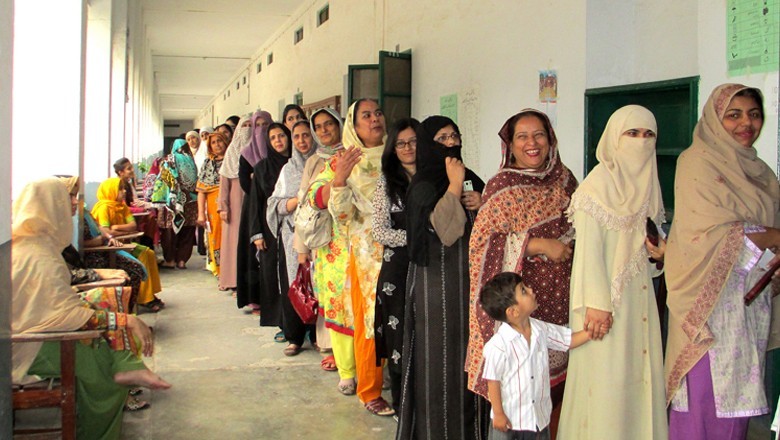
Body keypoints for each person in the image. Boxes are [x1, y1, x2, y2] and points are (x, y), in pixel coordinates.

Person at [11, 177, 171, 440]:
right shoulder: (36, 254)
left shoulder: (38, 243)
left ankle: (126, 366)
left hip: (34, 331)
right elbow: (64, 316)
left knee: (97, 315)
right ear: (48, 205)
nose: (75, 202)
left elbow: (56, 304)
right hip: (26, 346)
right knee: (99, 366)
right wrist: (128, 321)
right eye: (67, 198)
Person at [665, 84, 780, 440]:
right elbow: (708, 234)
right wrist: (774, 236)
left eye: (754, 114)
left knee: (738, 405)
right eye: (734, 114)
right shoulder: (697, 161)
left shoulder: (761, 171)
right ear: (716, 119)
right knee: (703, 401)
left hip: (750, 302)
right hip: (707, 302)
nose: (746, 123)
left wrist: (770, 237)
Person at [558, 105, 667, 439]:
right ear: (614, 138)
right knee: (606, 385)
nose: (641, 142)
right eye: (631, 133)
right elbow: (587, 254)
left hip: (641, 303)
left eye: (649, 135)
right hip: (602, 306)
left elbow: (648, 244)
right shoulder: (595, 188)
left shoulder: (649, 184)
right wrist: (597, 306)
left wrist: (660, 255)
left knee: (640, 379)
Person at [465, 109, 577, 435]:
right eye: (522, 137)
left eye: (539, 134)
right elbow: (483, 244)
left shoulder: (566, 179)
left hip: (561, 302)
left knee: (551, 393)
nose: (532, 143)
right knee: (516, 392)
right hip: (521, 306)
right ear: (510, 145)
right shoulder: (501, 187)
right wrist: (540, 244)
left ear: (550, 138)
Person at [397, 115, 485, 438]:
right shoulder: (422, 187)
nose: (451, 144)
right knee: (440, 363)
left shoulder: (471, 177)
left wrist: (481, 201)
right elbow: (445, 232)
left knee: (469, 359)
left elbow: (488, 225)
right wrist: (452, 187)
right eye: (442, 139)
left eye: (454, 137)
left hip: (469, 286)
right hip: (436, 288)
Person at [328, 99, 391, 416]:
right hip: (368, 254)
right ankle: (369, 389)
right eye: (366, 115)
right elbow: (340, 213)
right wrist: (339, 178)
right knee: (371, 321)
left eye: (378, 112)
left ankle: (400, 379)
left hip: (402, 246)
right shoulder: (346, 161)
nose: (375, 119)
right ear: (353, 124)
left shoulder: (398, 153)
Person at [480, 272, 591, 440]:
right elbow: (492, 380)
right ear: (513, 311)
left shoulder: (540, 330)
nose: (531, 290)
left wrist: (592, 332)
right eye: (523, 291)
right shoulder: (499, 346)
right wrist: (498, 413)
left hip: (538, 420)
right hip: (510, 423)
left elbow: (568, 340)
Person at [371, 117, 419, 413]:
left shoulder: (435, 178)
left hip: (429, 269)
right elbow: (379, 230)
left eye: (413, 141)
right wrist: (416, 237)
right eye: (400, 143)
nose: (407, 148)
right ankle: (403, 410)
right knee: (400, 339)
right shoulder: (387, 181)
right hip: (398, 270)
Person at [300, 108, 351, 380]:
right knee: (330, 296)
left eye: (328, 124)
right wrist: (301, 249)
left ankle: (351, 358)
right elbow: (306, 207)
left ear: (340, 124)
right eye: (318, 127)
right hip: (325, 240)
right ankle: (331, 348)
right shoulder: (314, 163)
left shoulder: (355, 154)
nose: (323, 131)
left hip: (352, 239)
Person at [267, 119, 318, 356]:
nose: (302, 141)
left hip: (323, 236)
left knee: (321, 285)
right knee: (295, 284)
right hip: (293, 236)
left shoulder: (326, 163)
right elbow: (274, 204)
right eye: (297, 136)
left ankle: (321, 337)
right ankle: (295, 336)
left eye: (306, 135)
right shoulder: (288, 170)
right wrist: (297, 200)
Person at [91, 177, 164, 312]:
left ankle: (150, 293)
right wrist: (114, 231)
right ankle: (145, 299)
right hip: (110, 248)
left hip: (122, 243)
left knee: (149, 253)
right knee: (142, 256)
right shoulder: (104, 208)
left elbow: (133, 225)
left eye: (123, 188)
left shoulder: (122, 206)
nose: (124, 191)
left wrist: (116, 228)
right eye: (120, 189)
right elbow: (106, 231)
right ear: (110, 191)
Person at [249, 123, 290, 335]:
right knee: (273, 275)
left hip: (293, 227)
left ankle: (297, 322)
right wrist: (256, 234)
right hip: (269, 228)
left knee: (293, 276)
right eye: (273, 138)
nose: (278, 141)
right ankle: (279, 321)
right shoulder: (262, 168)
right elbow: (255, 203)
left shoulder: (297, 163)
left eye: (282, 136)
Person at [236, 110, 273, 314]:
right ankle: (254, 299)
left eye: (264, 125)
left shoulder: (279, 149)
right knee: (252, 254)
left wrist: (258, 178)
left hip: (276, 208)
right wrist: (262, 184)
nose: (260, 130)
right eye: (256, 125)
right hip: (253, 208)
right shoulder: (246, 153)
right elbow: (245, 182)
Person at [149, 138, 198, 269]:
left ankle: (170, 260)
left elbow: (163, 180)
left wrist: (157, 200)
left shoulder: (170, 160)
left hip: (173, 201)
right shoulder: (191, 161)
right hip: (191, 201)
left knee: (170, 230)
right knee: (187, 230)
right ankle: (182, 260)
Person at [217, 113, 253, 290]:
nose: (247, 130)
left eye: (250, 126)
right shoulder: (231, 153)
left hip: (252, 202)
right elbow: (224, 184)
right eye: (244, 126)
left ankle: (247, 283)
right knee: (233, 243)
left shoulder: (257, 150)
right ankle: (231, 280)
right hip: (234, 204)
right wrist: (223, 207)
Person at [197, 131, 228, 279]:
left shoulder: (232, 159)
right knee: (215, 237)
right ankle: (220, 271)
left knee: (230, 237)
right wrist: (201, 214)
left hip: (230, 205)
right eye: (213, 143)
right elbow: (201, 191)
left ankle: (230, 271)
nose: (217, 145)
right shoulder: (207, 164)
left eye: (219, 141)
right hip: (212, 209)